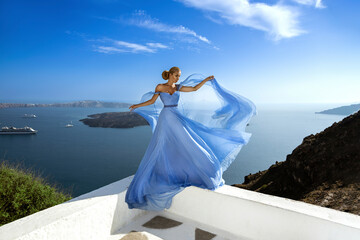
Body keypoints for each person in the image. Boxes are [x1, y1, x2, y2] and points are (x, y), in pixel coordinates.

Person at [125, 66, 256, 211]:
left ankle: (203, 172)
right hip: (165, 119)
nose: (178, 78)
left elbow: (193, 89)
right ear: (170, 74)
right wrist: (137, 105)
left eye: (179, 76)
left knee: (189, 143)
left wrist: (206, 80)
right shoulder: (160, 86)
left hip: (176, 117)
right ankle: (161, 175)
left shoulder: (178, 86)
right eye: (176, 76)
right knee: (162, 147)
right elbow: (151, 101)